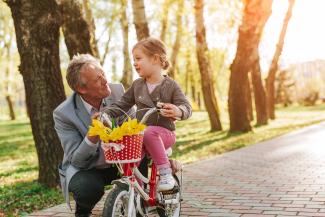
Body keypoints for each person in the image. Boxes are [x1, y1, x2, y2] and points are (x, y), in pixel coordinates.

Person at [105, 37, 192, 191]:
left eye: (138, 58)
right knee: (130, 154)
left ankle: (165, 174)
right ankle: (133, 189)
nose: (134, 63)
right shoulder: (137, 85)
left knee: (148, 132)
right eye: (133, 59)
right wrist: (105, 114)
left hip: (165, 134)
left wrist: (178, 111)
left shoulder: (170, 85)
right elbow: (122, 105)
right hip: (141, 136)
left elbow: (186, 107)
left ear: (155, 59)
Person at [53, 54, 132, 217]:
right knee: (87, 189)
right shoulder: (63, 114)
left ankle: (132, 207)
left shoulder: (117, 91)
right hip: (88, 168)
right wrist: (92, 136)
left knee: (142, 164)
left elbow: (136, 127)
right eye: (97, 79)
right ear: (82, 89)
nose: (105, 80)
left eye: (103, 73)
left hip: (119, 160)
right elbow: (77, 160)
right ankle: (83, 211)